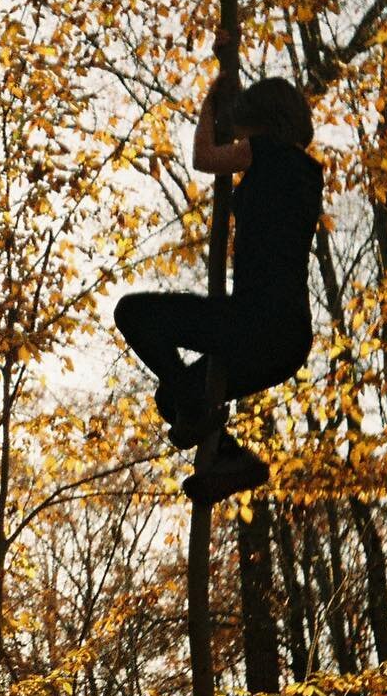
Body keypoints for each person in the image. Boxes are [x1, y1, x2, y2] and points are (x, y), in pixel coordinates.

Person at [114, 31, 322, 501]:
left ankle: (201, 419)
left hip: (258, 322)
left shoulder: (269, 155)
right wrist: (228, 68)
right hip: (284, 337)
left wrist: (213, 94)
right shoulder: (303, 175)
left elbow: (205, 155)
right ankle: (230, 458)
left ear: (265, 124)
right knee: (174, 395)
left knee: (134, 313)